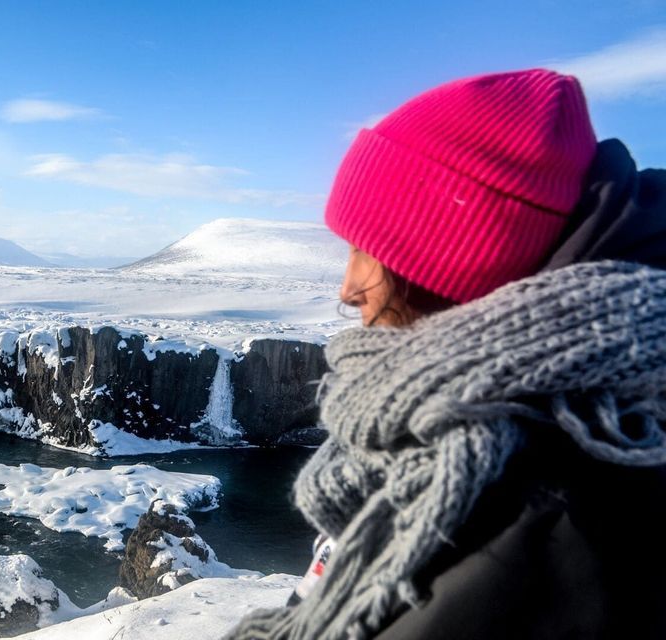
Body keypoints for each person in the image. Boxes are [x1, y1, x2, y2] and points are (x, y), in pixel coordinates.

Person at [226, 68, 666, 639]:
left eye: (367, 251)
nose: (348, 288)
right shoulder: (458, 446)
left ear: (451, 267)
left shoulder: (534, 518)